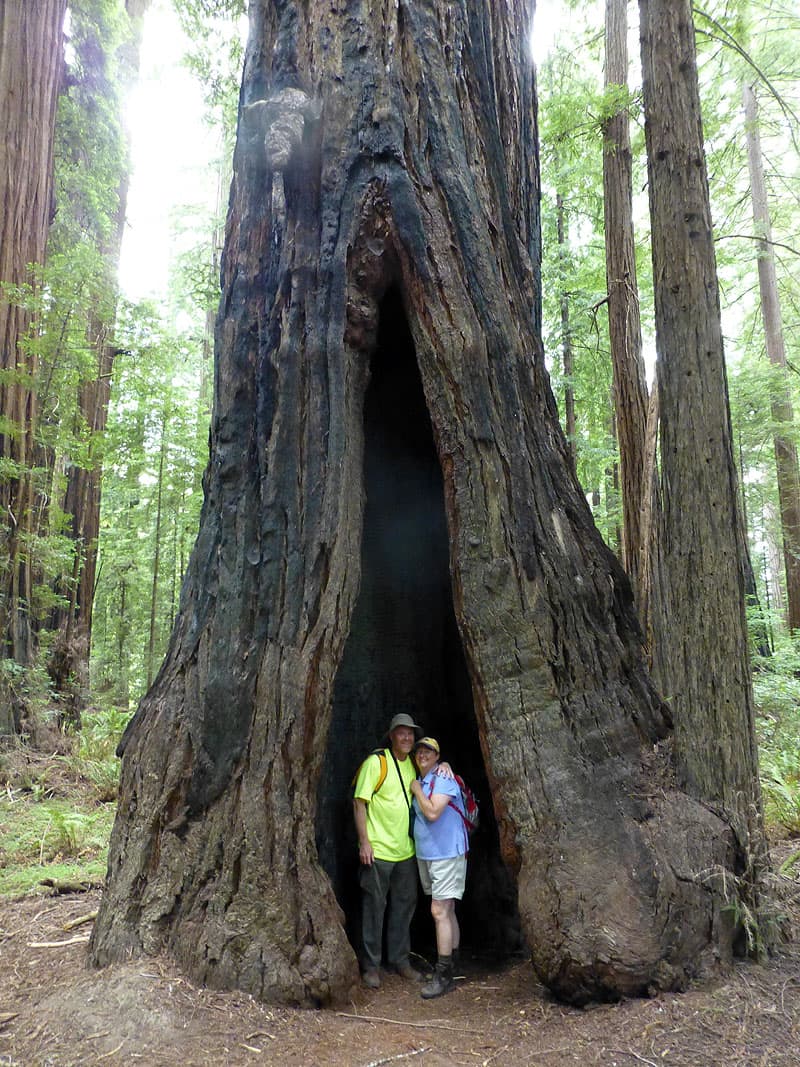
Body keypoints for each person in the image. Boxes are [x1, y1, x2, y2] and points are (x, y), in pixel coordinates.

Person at [353, 712, 424, 989]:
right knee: (374, 908)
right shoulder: (377, 763)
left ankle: (400, 960)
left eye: (410, 733)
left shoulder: (413, 766)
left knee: (404, 908)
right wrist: (364, 842)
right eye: (401, 732)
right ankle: (371, 966)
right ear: (392, 735)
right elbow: (360, 803)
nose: (407, 737)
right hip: (378, 850)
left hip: (405, 851)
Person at [409, 736, 469, 999]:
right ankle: (452, 962)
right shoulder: (423, 779)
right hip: (429, 854)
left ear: (437, 757)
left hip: (446, 853)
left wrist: (417, 790)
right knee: (447, 909)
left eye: (429, 752)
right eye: (420, 751)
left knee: (439, 910)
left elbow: (433, 812)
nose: (423, 755)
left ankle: (443, 973)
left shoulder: (442, 779)